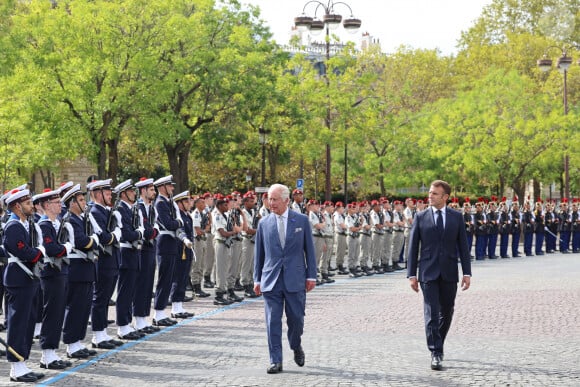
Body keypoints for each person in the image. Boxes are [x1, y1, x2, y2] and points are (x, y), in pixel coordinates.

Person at [407, 180, 471, 371]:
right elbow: (413, 247)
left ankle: (438, 342)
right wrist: (411, 274)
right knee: (431, 312)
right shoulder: (420, 217)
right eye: (430, 192)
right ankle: (435, 351)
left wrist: (467, 273)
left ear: (445, 197)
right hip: (427, 272)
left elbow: (463, 247)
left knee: (448, 311)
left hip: (450, 271)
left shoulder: (456, 217)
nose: (430, 196)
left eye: (435, 193)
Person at [253, 183, 317, 374]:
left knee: (296, 320)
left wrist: (311, 275)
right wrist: (257, 279)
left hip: (295, 278)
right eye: (269, 199)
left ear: (286, 201)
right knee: (272, 320)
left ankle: (296, 345)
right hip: (271, 279)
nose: (271, 203)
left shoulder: (302, 220)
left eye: (275, 199)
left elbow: (309, 251)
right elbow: (259, 254)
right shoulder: (264, 223)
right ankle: (276, 360)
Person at [2, 189, 46, 383]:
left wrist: (36, 250)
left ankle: (23, 362)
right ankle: (16, 366)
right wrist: (39, 252)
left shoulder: (26, 224)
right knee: (19, 323)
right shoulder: (13, 227)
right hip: (18, 279)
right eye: (28, 203)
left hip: (28, 278)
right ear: (18, 206)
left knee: (28, 323)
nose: (32, 206)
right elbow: (22, 250)